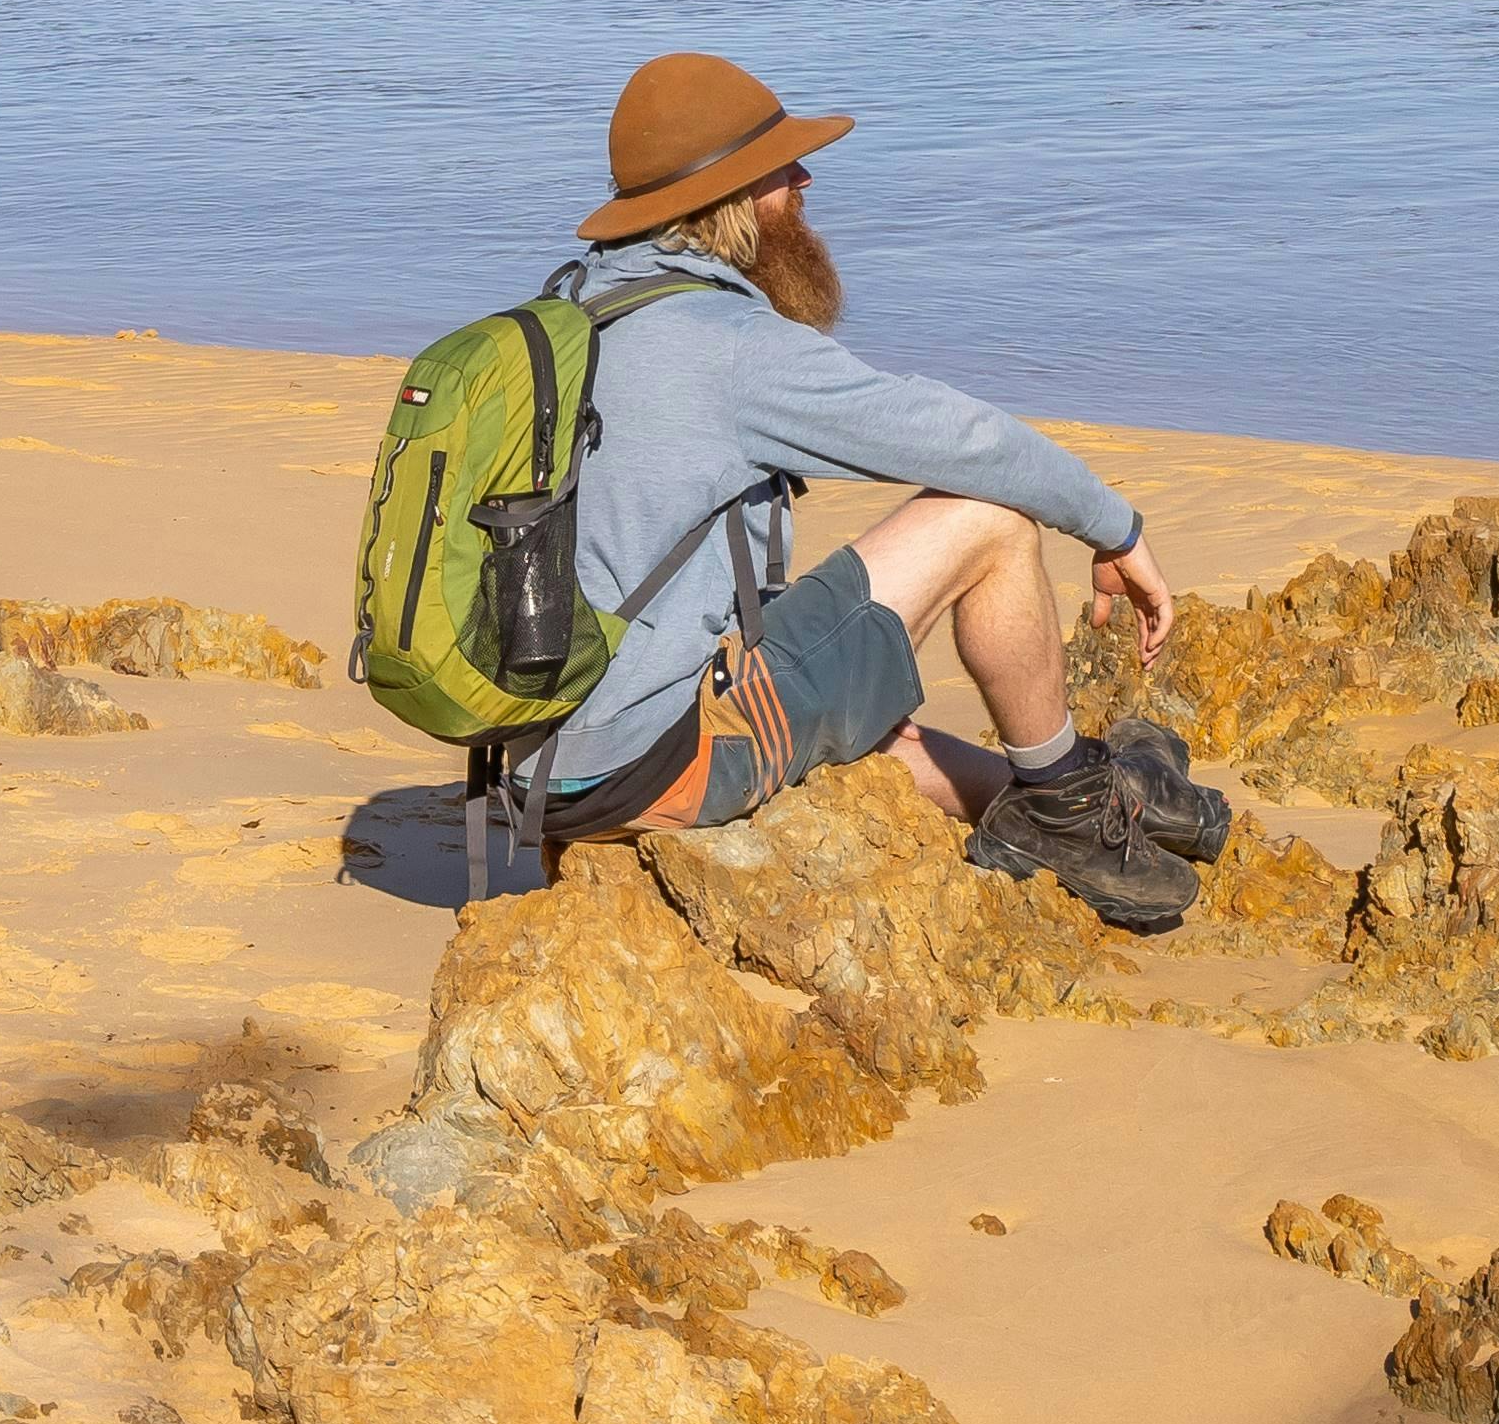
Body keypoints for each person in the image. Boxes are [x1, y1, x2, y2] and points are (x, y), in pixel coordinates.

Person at [503, 50, 1232, 929]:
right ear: (731, 200)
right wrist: (1115, 530)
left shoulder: (569, 310)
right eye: (780, 167)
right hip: (655, 759)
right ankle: (1069, 808)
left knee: (862, 715)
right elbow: (969, 445)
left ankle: (1092, 789)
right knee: (989, 519)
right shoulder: (727, 343)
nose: (805, 177)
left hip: (539, 762)